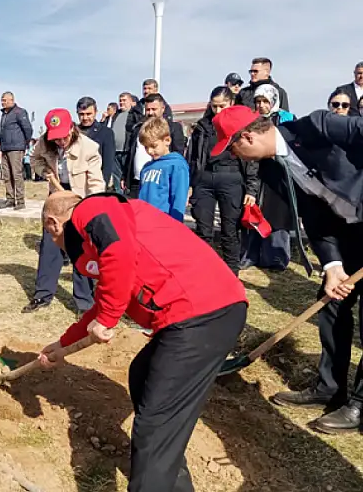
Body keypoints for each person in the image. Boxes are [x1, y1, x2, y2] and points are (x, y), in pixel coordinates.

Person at [38, 190, 247, 492]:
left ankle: (154, 478)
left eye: (52, 236)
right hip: (202, 313)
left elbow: (118, 254)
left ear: (52, 223)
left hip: (201, 313)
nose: (60, 247)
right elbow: (107, 297)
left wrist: (109, 318)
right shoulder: (106, 229)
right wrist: (64, 344)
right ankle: (170, 481)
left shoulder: (92, 209)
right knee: (143, 374)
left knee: (154, 426)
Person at [213, 105, 363, 433]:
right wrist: (332, 265)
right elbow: (312, 214)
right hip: (348, 234)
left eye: (233, 147)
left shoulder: (318, 126)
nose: (236, 156)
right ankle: (330, 388)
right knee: (332, 301)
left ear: (248, 136)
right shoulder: (271, 170)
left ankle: (360, 406)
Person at [23, 109, 103, 315]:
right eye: (55, 138)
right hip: (57, 201)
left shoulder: (89, 148)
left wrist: (91, 206)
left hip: (80, 200)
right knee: (49, 247)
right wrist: (46, 173)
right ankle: (42, 295)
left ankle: (84, 303)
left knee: (81, 250)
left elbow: (95, 181)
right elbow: (35, 159)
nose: (60, 142)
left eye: (63, 137)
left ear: (71, 128)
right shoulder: (45, 142)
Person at [187, 86, 259, 275]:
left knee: (230, 230)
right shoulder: (202, 127)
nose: (218, 111)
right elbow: (192, 156)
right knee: (203, 229)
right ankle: (204, 271)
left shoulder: (241, 126)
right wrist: (190, 184)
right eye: (214, 106)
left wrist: (252, 189)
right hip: (204, 179)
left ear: (232, 103)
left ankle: (231, 273)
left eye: (222, 106)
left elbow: (251, 159)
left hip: (232, 178)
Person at [240, 84, 296, 271]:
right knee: (255, 213)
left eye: (265, 101)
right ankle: (251, 254)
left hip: (280, 175)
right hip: (257, 173)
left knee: (279, 216)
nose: (261, 105)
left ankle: (277, 256)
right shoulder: (251, 122)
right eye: (258, 101)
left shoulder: (286, 119)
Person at [122, 93, 185, 199]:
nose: (150, 113)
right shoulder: (138, 129)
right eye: (148, 109)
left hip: (159, 183)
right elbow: (130, 153)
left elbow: (177, 153)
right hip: (136, 183)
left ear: (163, 108)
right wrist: (125, 176)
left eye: (154, 109)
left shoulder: (173, 128)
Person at [137, 117, 190, 222]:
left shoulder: (176, 165)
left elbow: (178, 199)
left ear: (167, 140)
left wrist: (176, 225)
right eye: (146, 147)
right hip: (144, 220)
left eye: (153, 146)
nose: (150, 151)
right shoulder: (146, 167)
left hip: (164, 222)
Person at [0, 91, 33, 210]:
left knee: (16, 175)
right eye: (2, 100)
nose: (2, 102)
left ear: (12, 100)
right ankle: (10, 199)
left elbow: (27, 129)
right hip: (5, 148)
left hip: (16, 148)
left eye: (5, 100)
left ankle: (20, 201)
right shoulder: (4, 114)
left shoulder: (19, 112)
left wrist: (24, 143)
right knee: (6, 175)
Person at [76, 96, 116, 190]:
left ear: (95, 112)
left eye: (88, 114)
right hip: (77, 184)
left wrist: (103, 188)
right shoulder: (73, 133)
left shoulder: (106, 133)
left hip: (96, 183)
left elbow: (108, 164)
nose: (85, 118)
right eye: (81, 114)